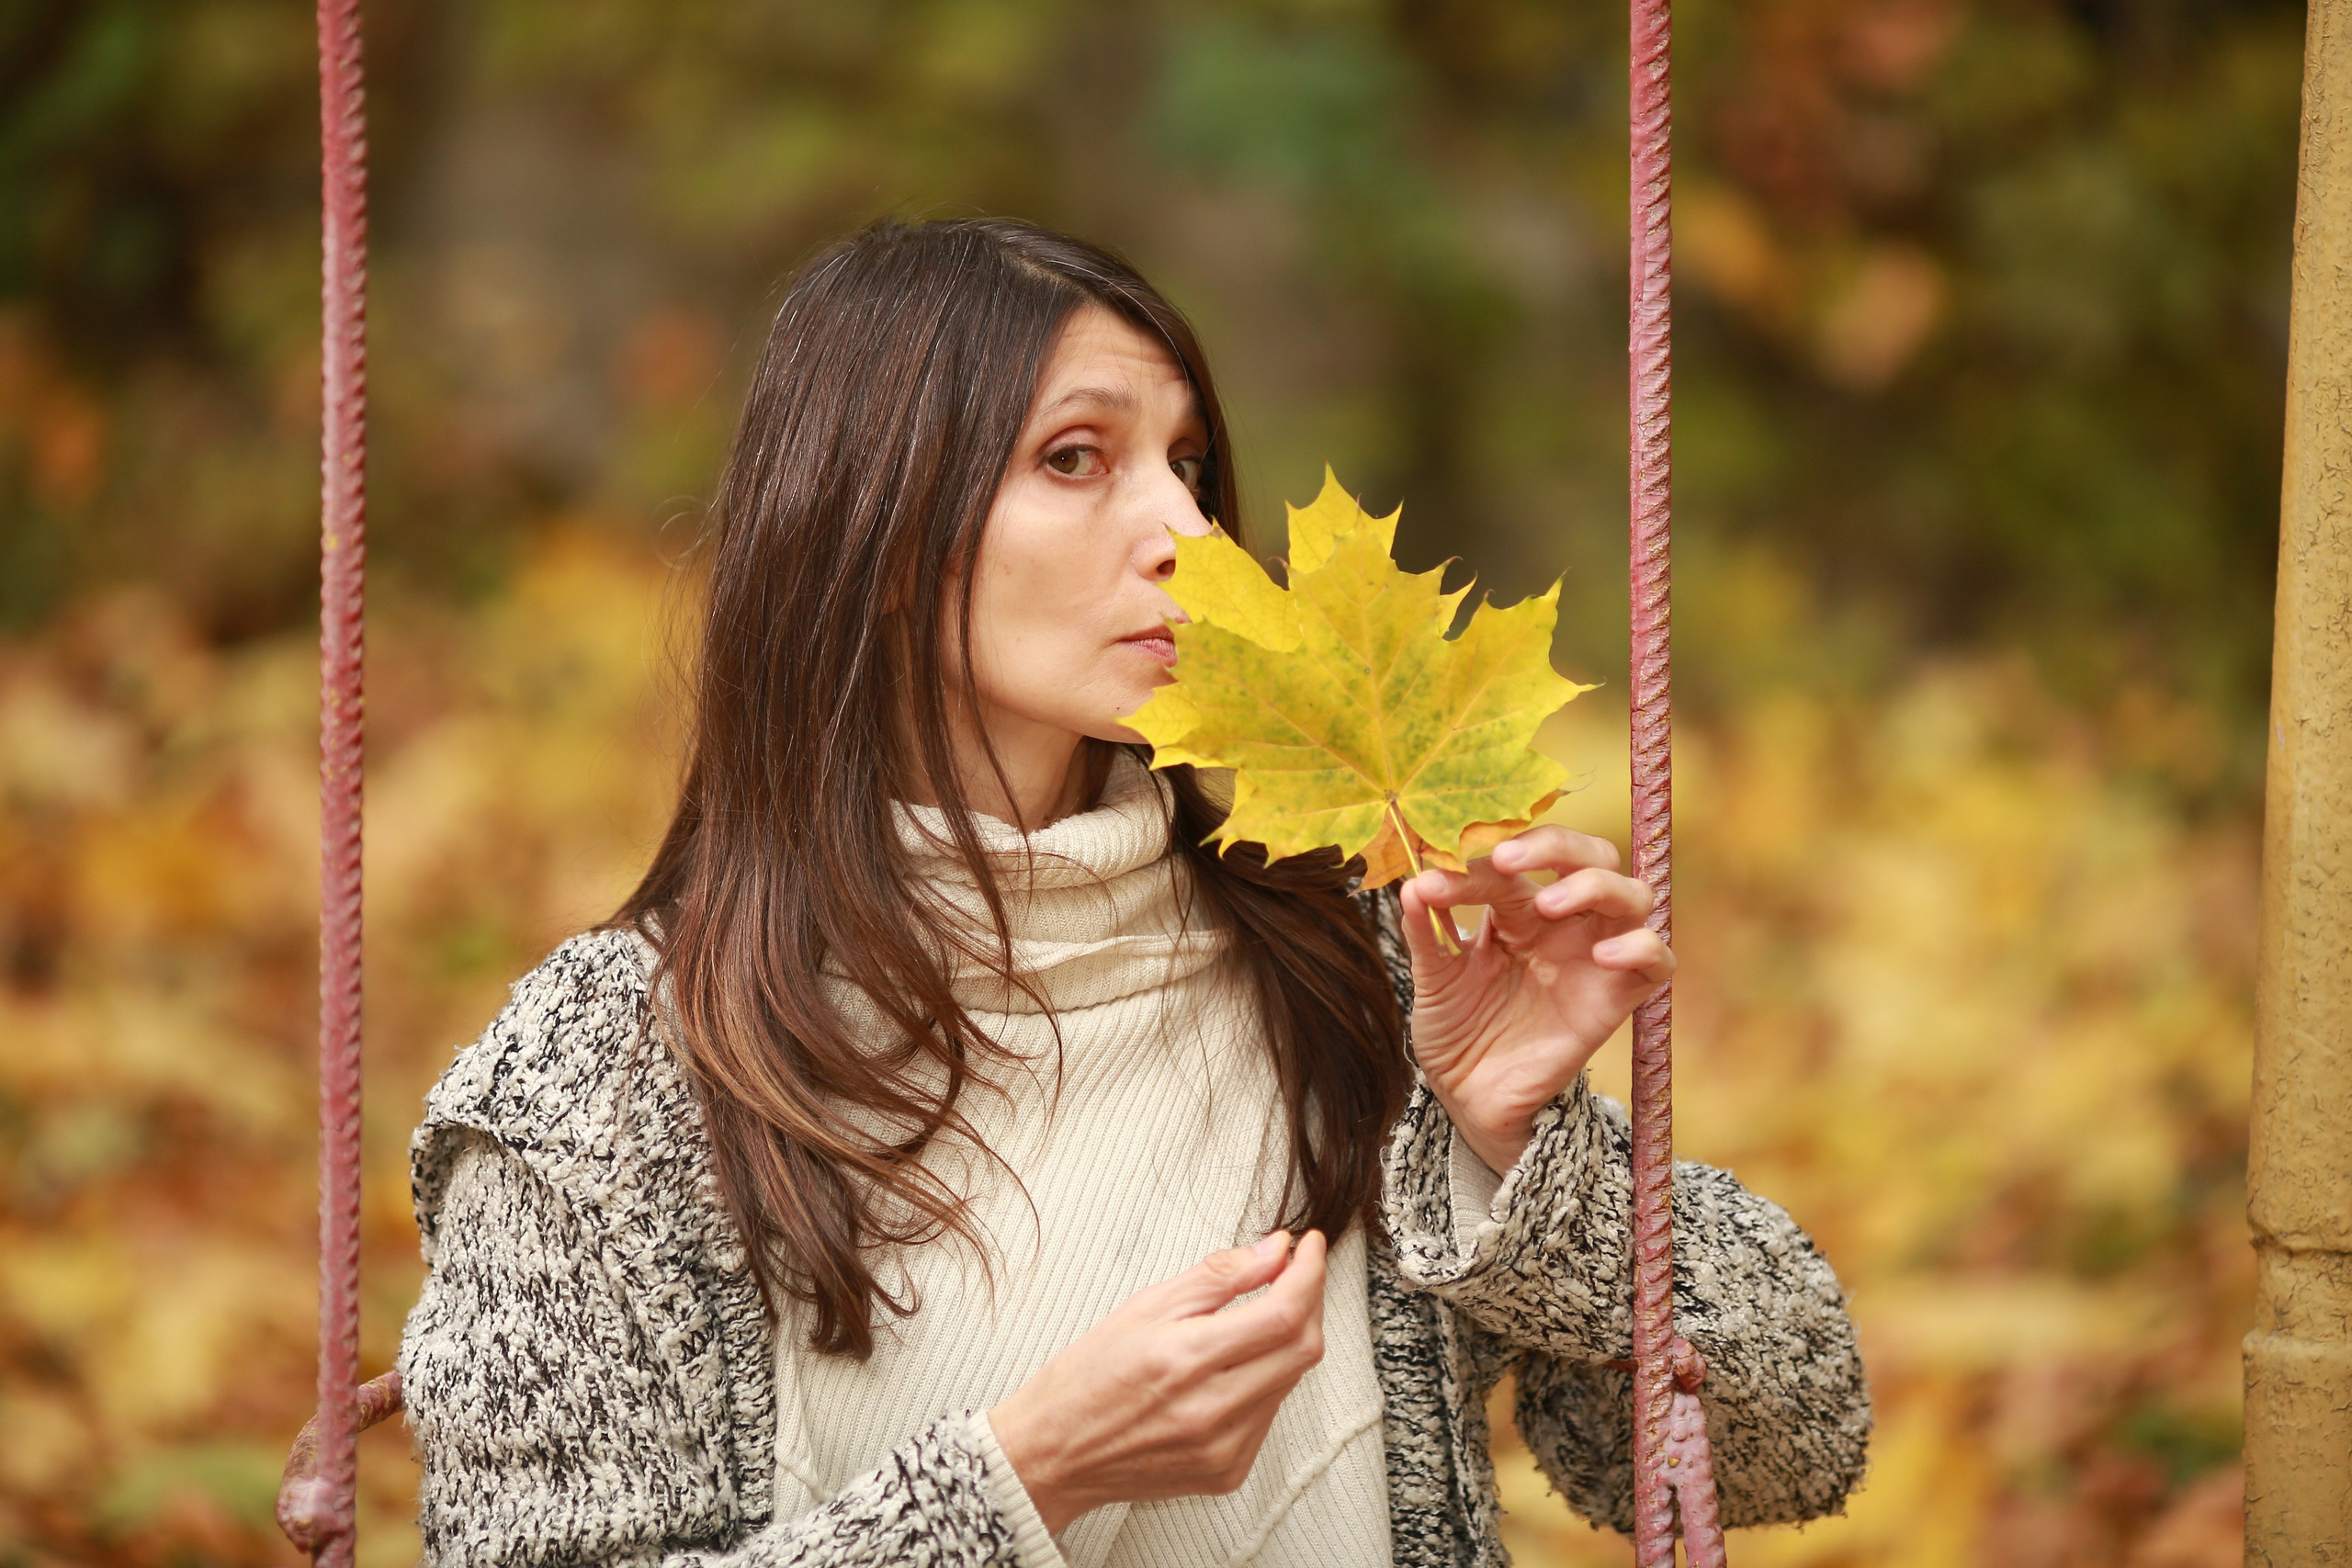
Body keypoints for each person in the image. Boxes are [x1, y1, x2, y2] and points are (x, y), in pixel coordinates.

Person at [397, 217, 1870, 1568]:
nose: (1187, 532)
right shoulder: (615, 1071)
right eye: (1076, 459)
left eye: (1190, 465)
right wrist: (1019, 1483)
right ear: (880, 534)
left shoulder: (1347, 971)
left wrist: (1512, 1148)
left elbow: (1781, 1448)